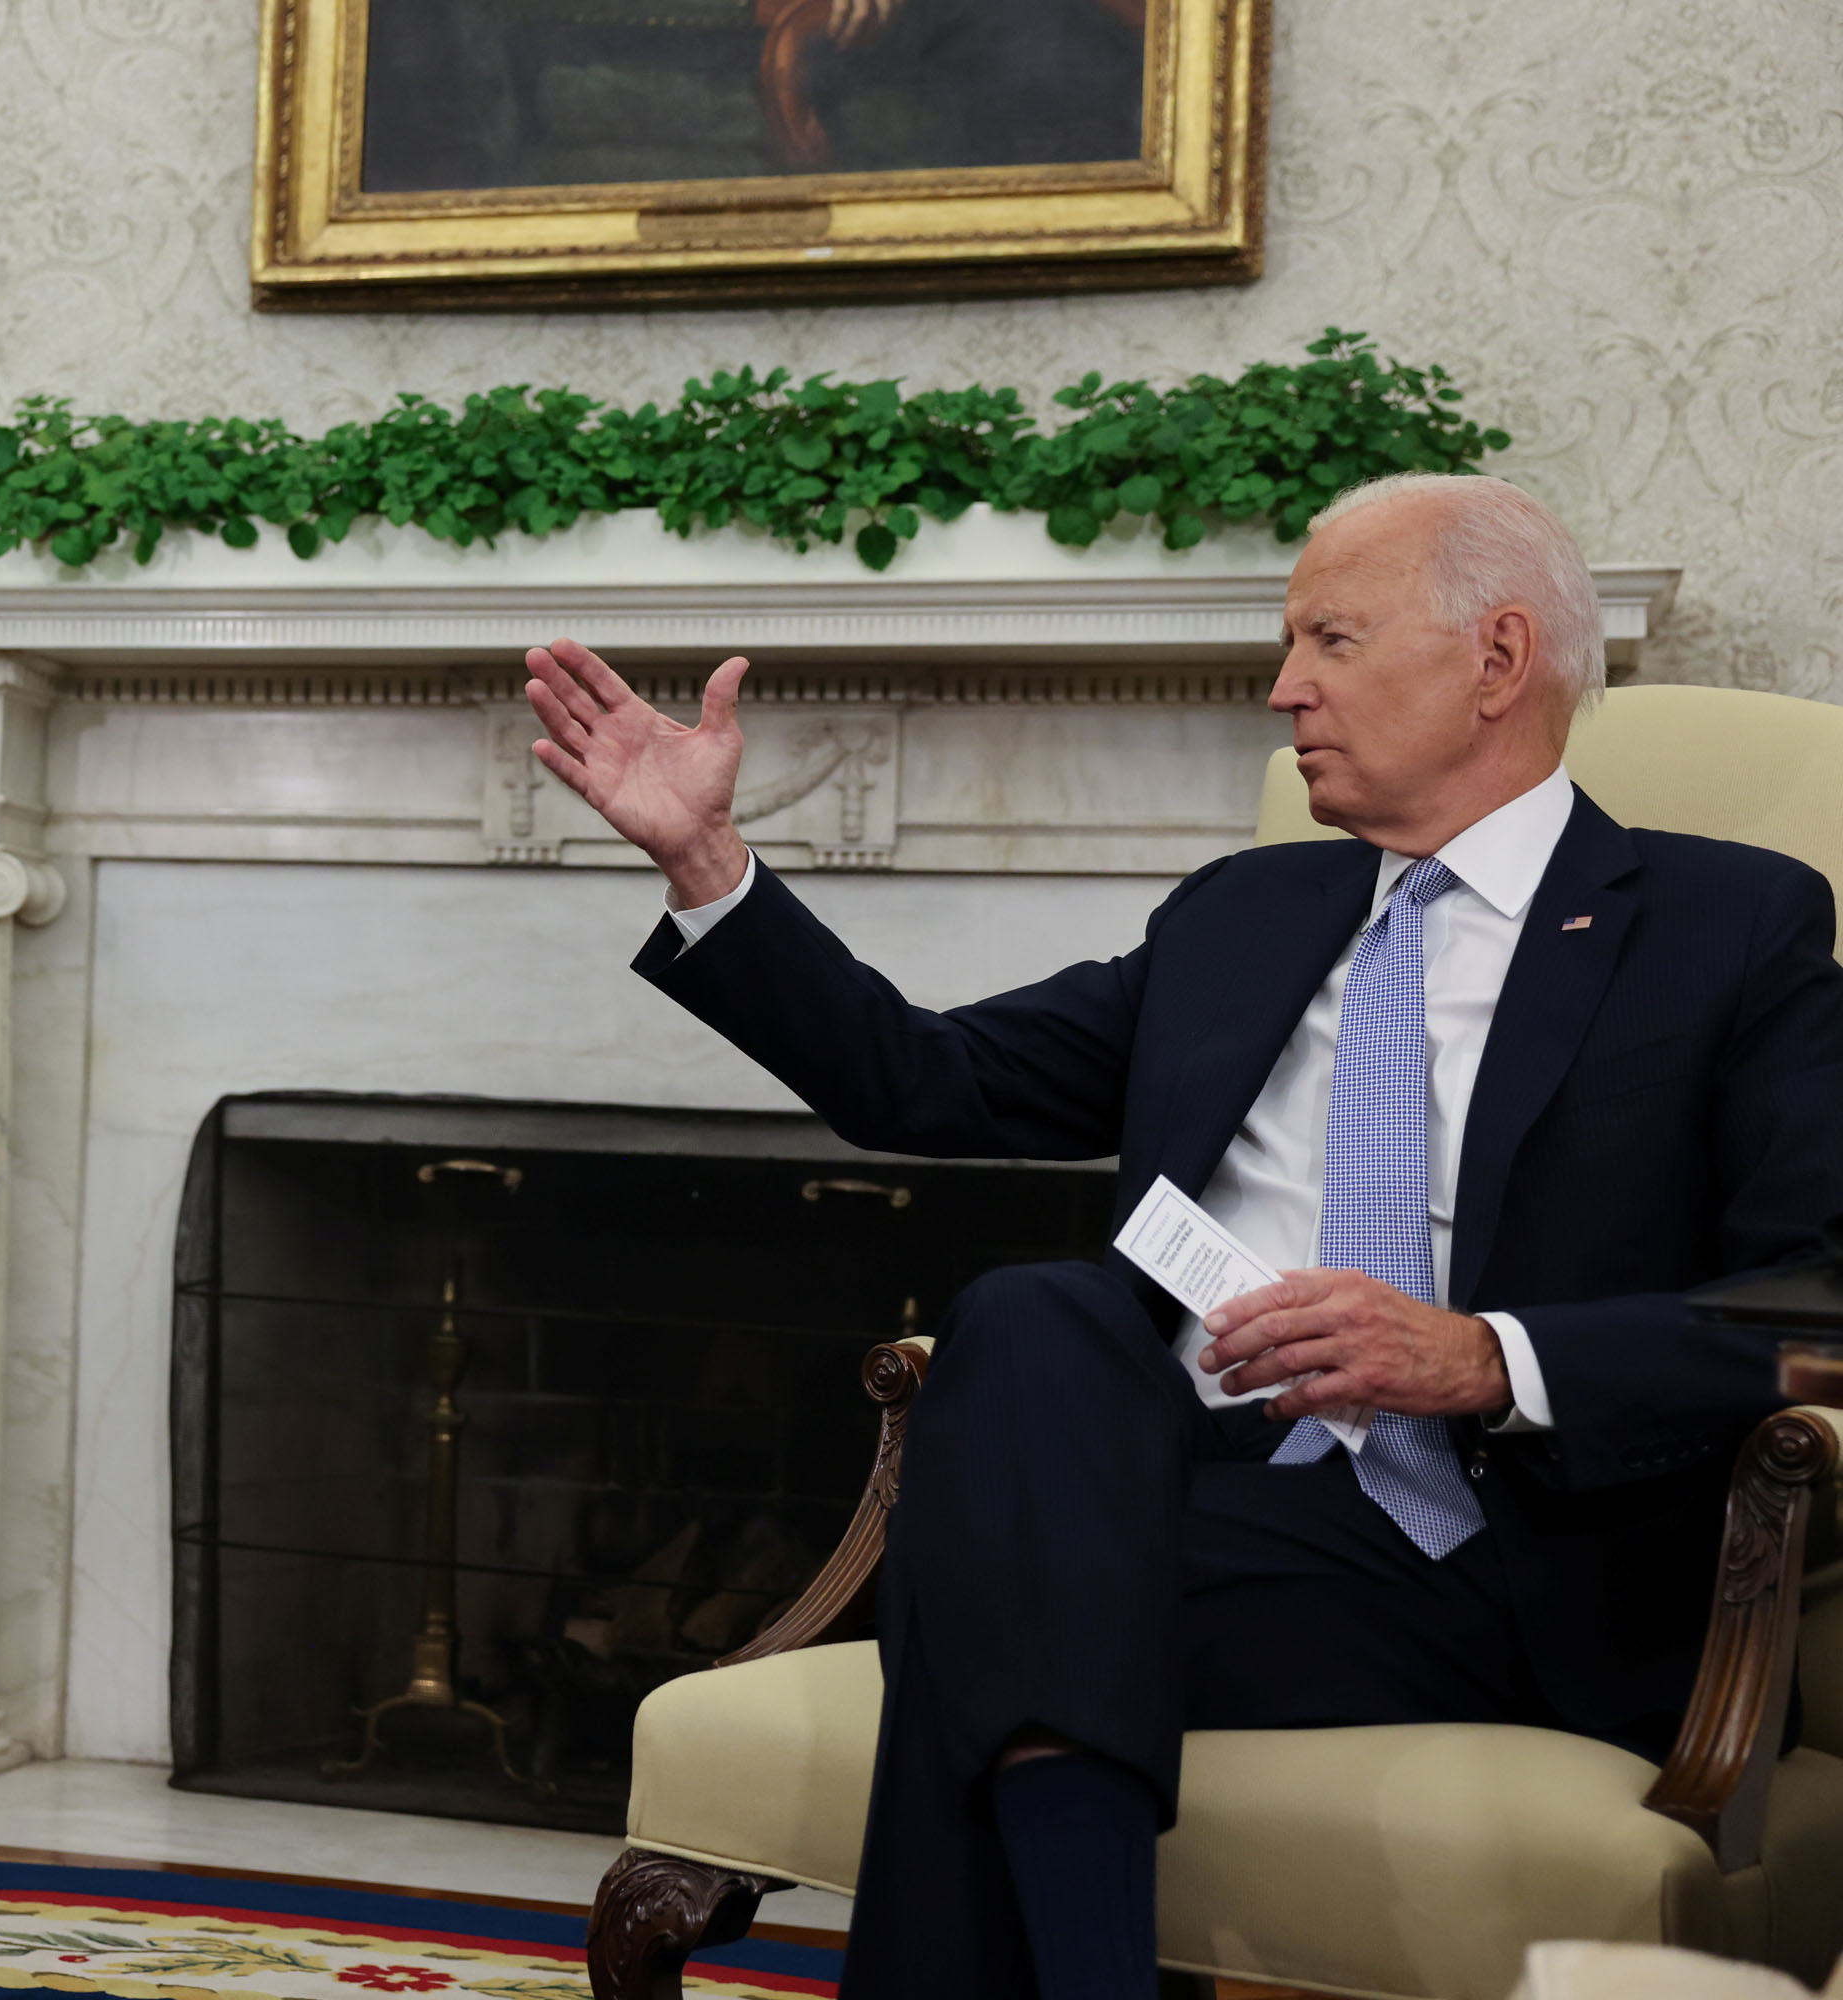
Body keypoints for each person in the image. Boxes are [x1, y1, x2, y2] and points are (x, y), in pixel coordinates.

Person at [523, 473, 1843, 1999]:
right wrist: (703, 864)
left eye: (1331, 642)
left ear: (1496, 658)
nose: (1284, 691)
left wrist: (1486, 1357)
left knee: (985, 1605)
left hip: (1504, 1551)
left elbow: (1814, 1298)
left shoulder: (1727, 923)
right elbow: (927, 1078)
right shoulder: (1246, 914)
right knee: (1037, 1317)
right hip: (1205, 1498)